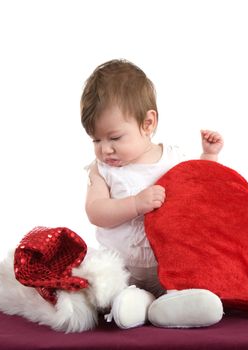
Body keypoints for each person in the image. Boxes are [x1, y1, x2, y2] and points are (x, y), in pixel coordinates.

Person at [81, 59, 224, 329]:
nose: (104, 150)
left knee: (193, 268)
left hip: (165, 266)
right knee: (103, 284)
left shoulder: (172, 159)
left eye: (114, 138)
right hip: (123, 268)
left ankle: (175, 303)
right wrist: (135, 204)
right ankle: (135, 303)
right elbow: (96, 211)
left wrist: (209, 156)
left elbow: (201, 187)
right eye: (96, 140)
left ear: (148, 123)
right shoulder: (102, 171)